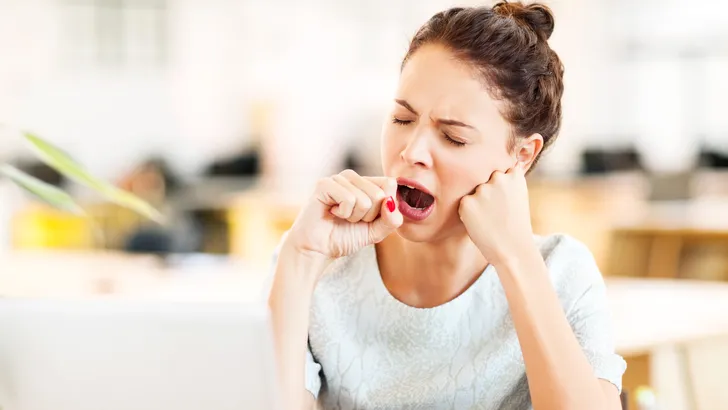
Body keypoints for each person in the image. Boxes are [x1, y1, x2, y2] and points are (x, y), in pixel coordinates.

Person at [268, 2, 626, 409]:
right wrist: (301, 257)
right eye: (403, 120)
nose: (412, 151)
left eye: (453, 137)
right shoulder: (314, 268)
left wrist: (516, 260)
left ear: (521, 156)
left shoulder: (561, 272)